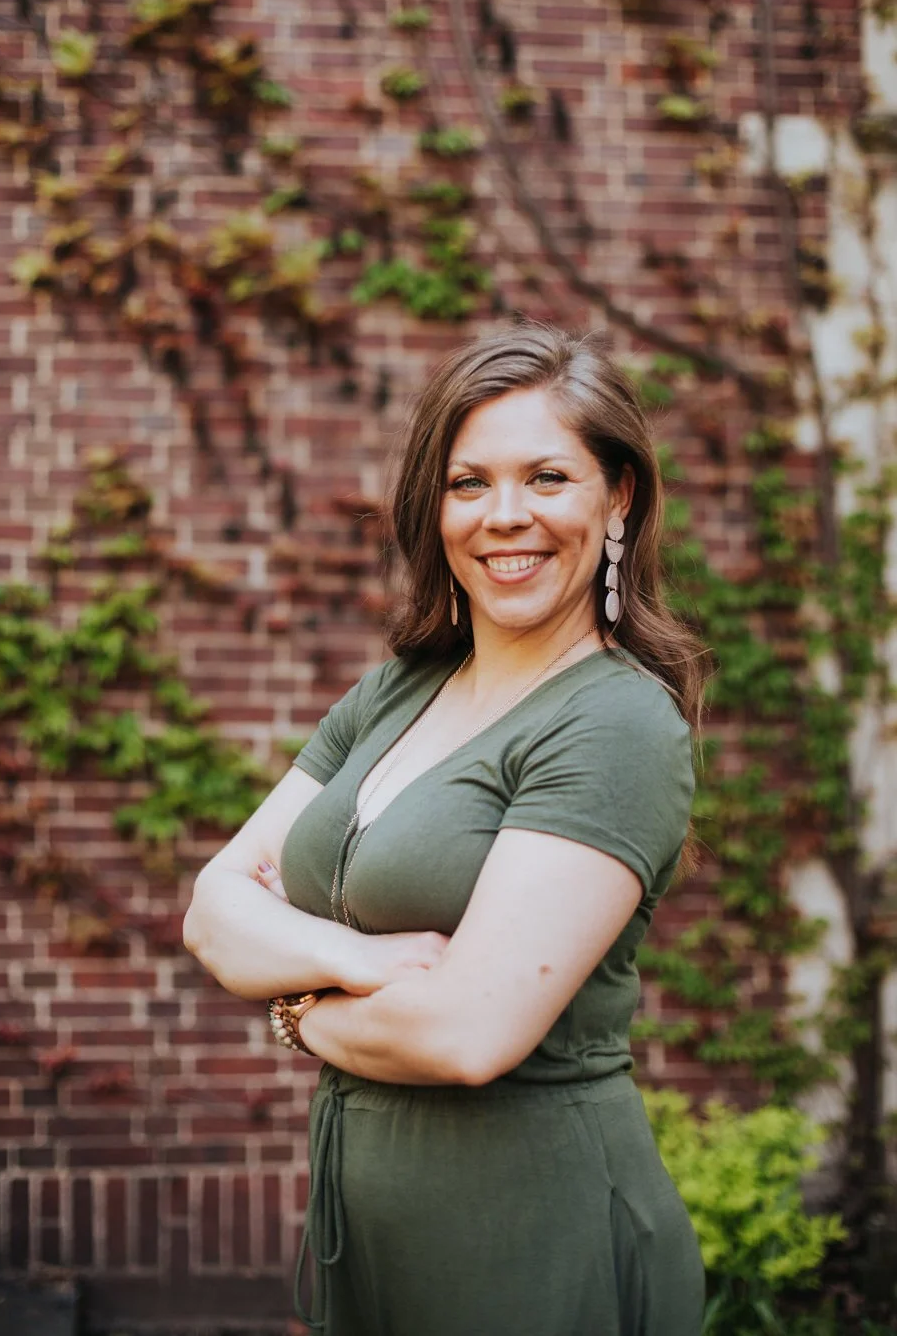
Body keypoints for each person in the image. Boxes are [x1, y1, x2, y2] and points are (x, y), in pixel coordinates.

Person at [183, 322, 709, 1336]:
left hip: (529, 1241)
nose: (503, 517)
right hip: (375, 1229)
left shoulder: (613, 722)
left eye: (547, 477)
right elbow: (213, 911)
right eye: (468, 484)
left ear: (619, 498)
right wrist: (365, 960)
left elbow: (469, 1034)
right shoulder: (396, 690)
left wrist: (299, 1013)